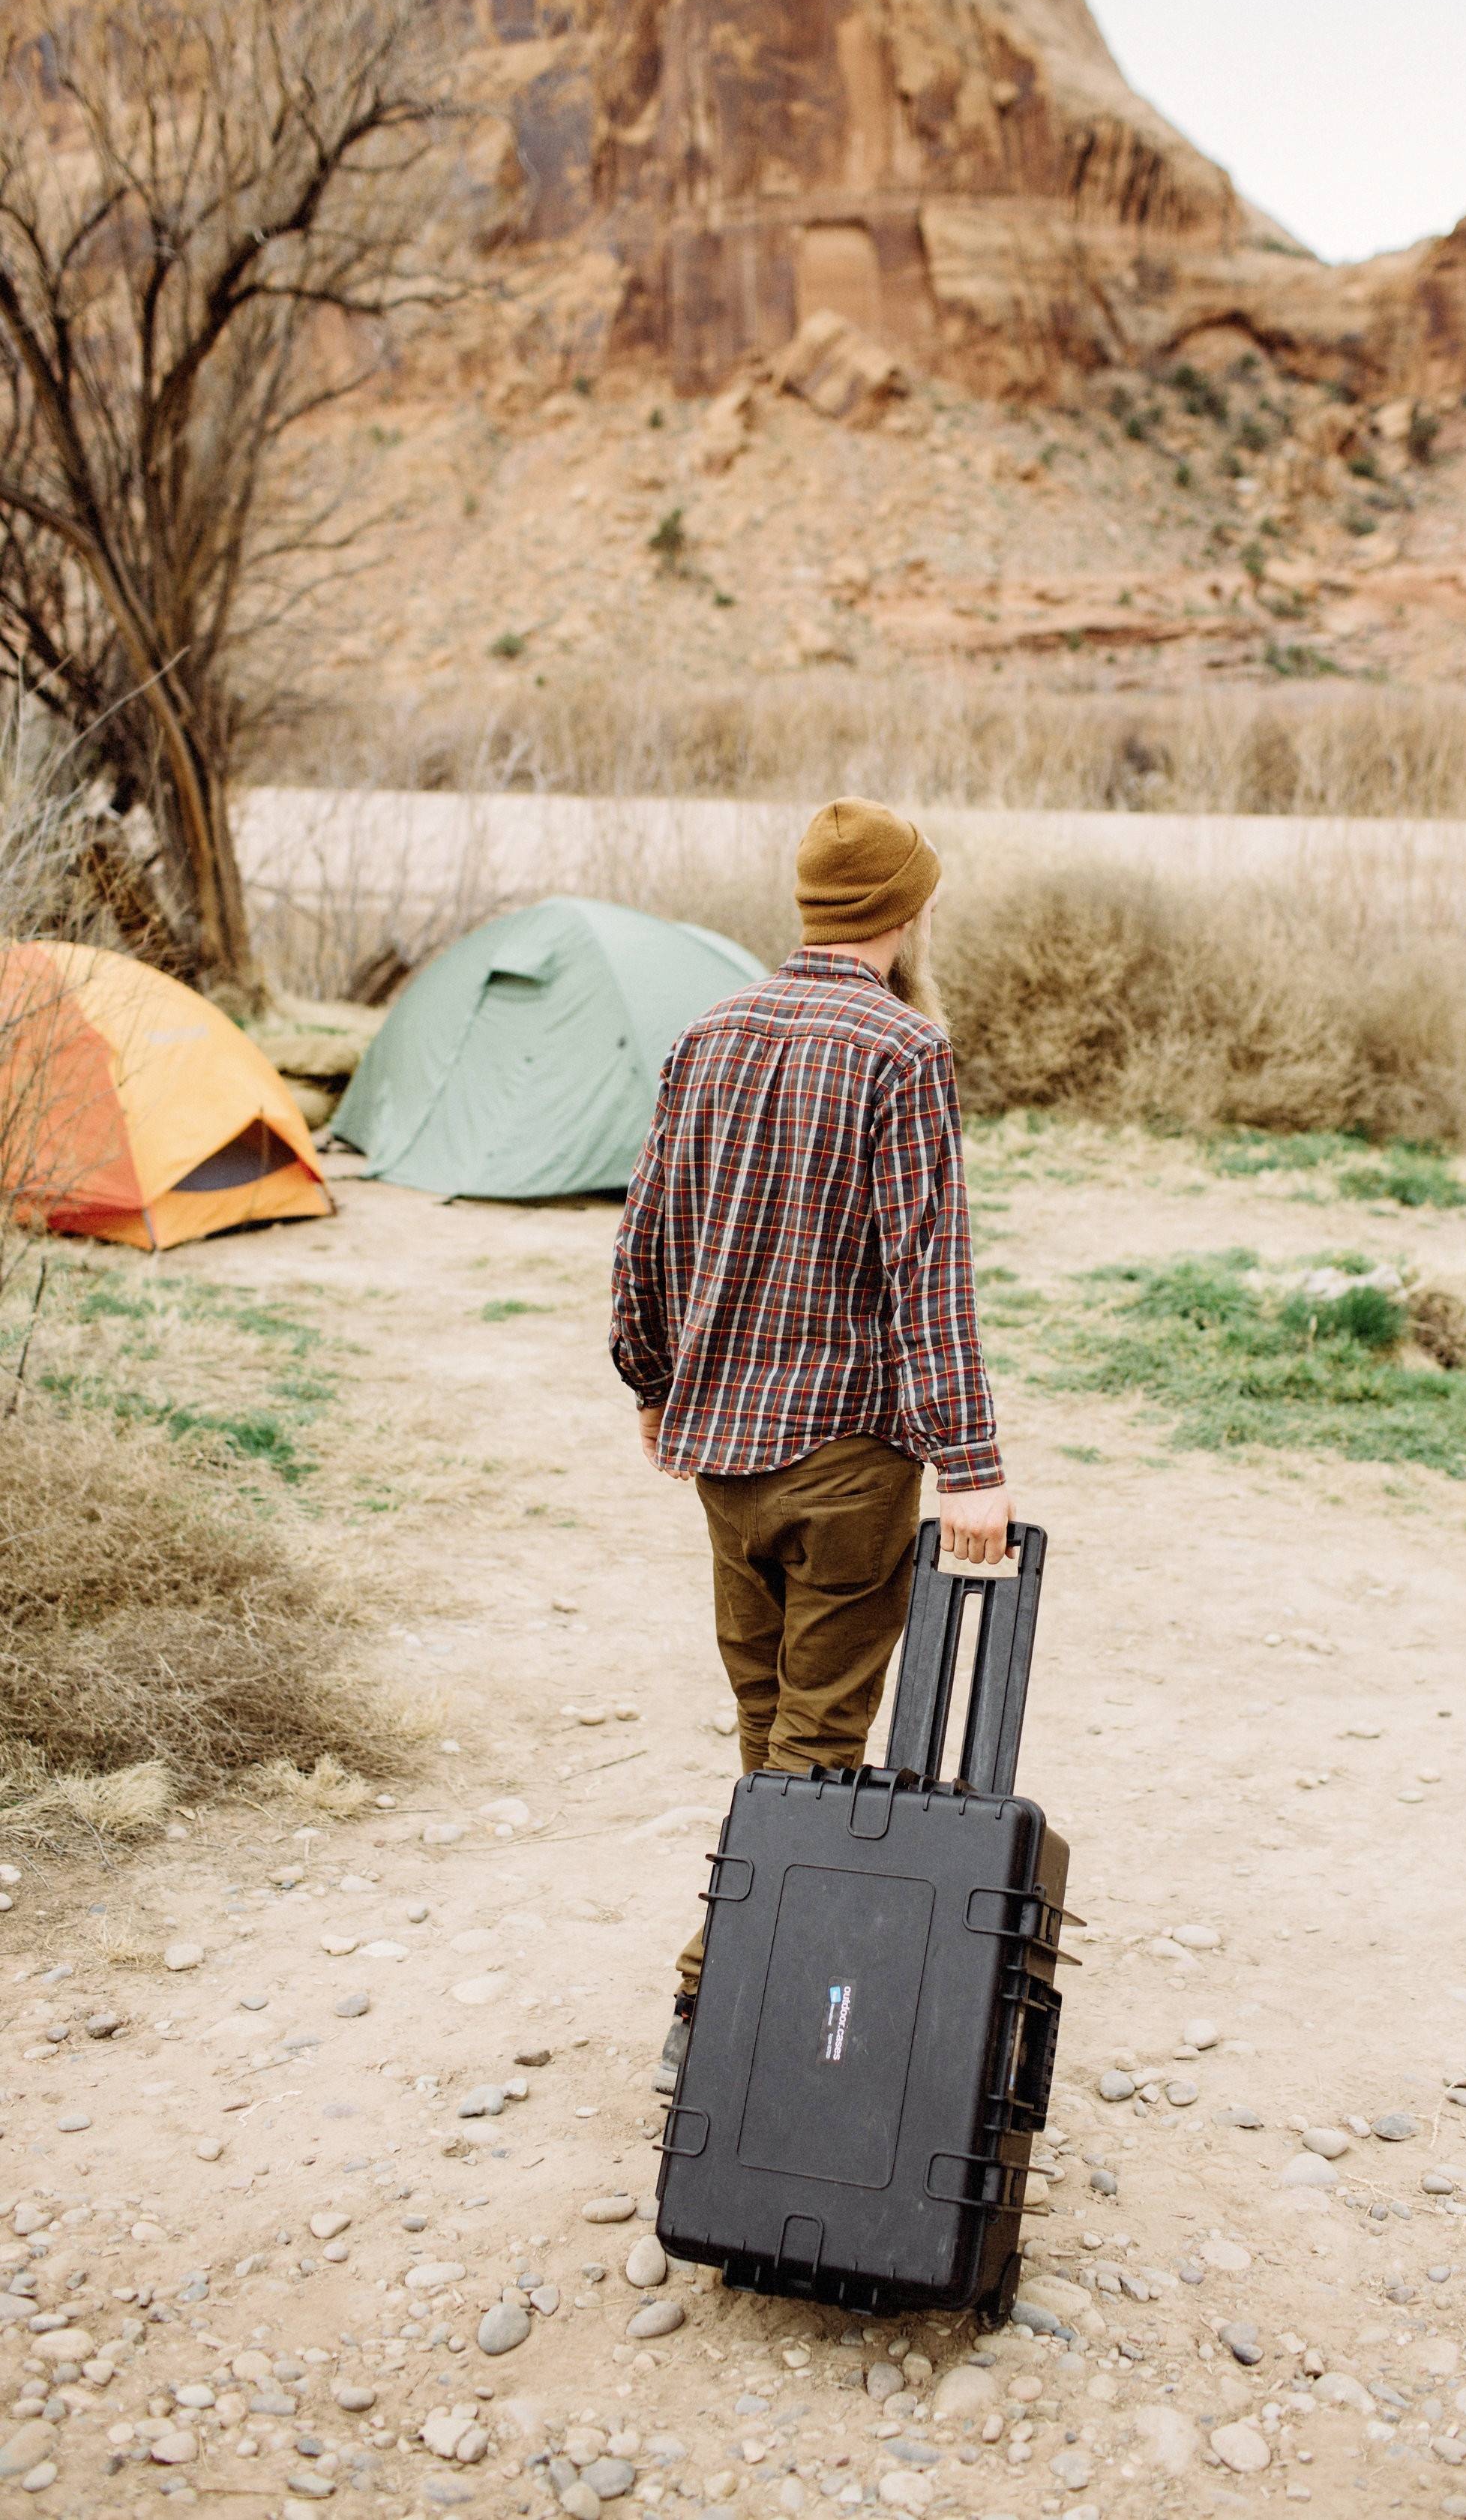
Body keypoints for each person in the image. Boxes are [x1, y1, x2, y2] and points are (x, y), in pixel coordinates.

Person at [609, 796, 1011, 2084]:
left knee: (770, 1721)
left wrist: (651, 1379)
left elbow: (644, 1238)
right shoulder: (904, 1054)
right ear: (907, 908)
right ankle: (716, 2004)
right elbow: (926, 1277)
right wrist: (972, 1466)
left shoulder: (707, 1034)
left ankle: (751, 1967)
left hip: (721, 1453)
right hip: (846, 1458)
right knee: (816, 1741)